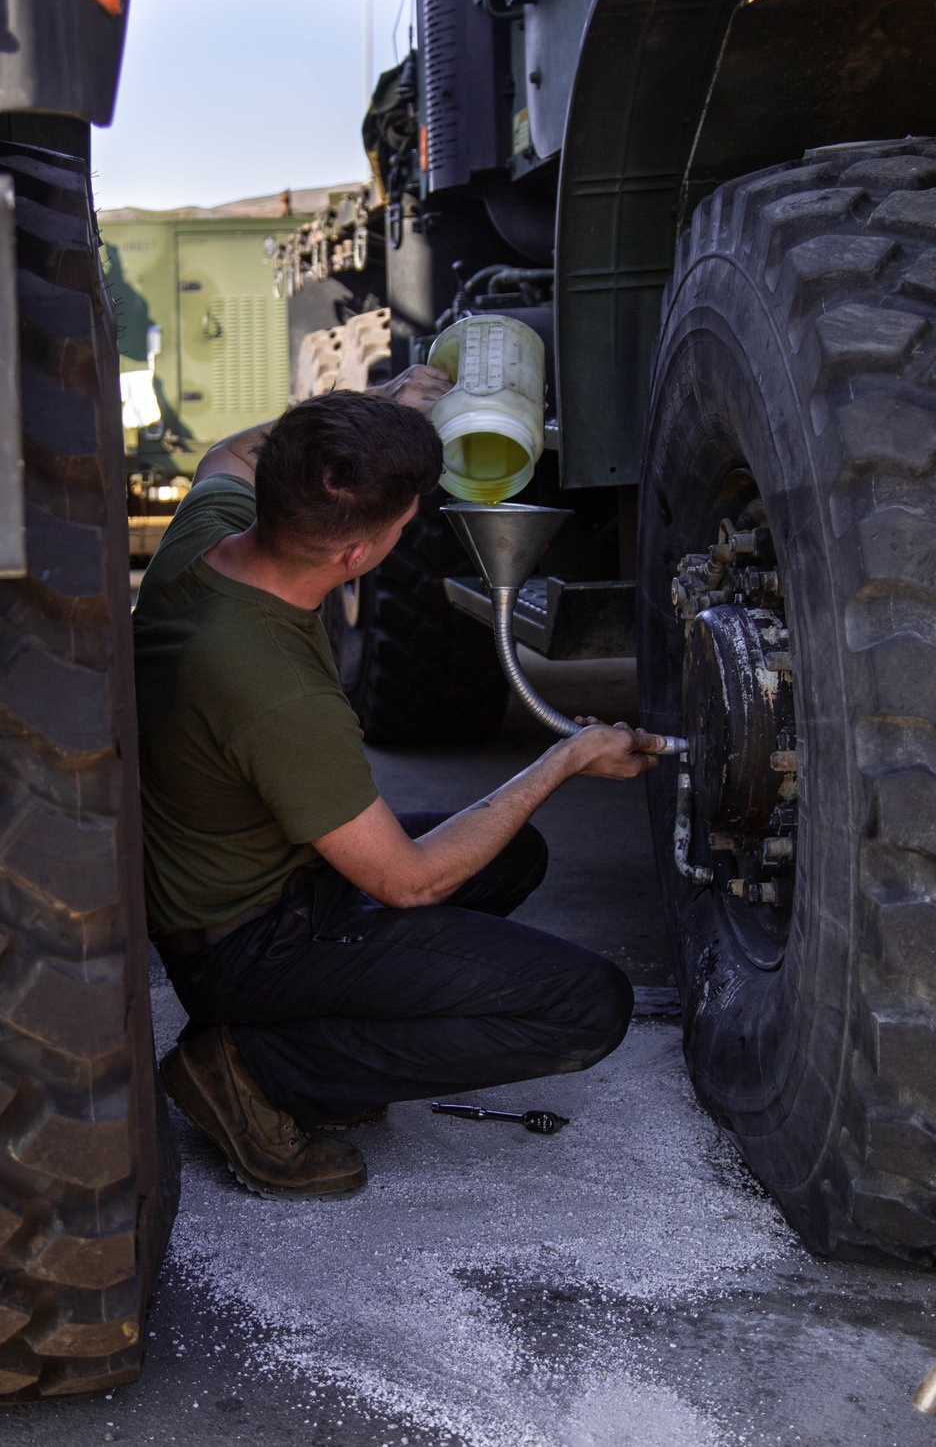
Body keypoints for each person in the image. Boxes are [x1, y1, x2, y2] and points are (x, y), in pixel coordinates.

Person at [133, 365, 664, 1200]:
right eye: (404, 524)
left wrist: (380, 411)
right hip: (240, 942)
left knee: (507, 852)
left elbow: (231, 453)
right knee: (584, 1006)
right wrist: (562, 759)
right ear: (357, 555)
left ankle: (299, 1031)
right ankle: (258, 1070)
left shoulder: (216, 531)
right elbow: (407, 884)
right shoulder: (272, 689)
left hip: (243, 885)